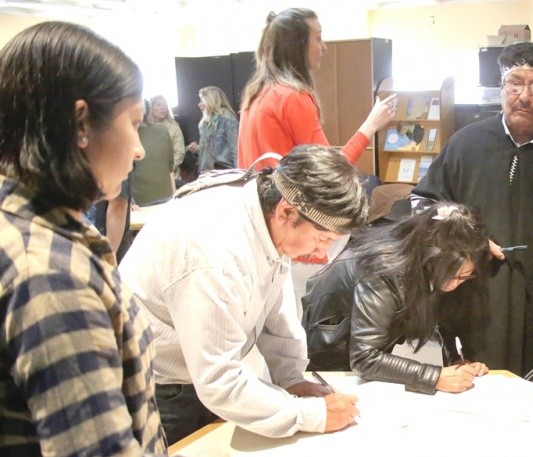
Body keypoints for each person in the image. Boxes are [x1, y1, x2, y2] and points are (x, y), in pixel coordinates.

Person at [119, 145, 369, 445]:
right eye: (321, 239)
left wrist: (292, 378)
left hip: (197, 369)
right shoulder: (216, 251)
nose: (323, 254)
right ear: (286, 212)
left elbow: (274, 301)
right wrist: (312, 415)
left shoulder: (268, 212)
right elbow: (219, 380)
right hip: (163, 383)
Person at [0, 21, 167, 455]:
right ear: (81, 124)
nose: (139, 149)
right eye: (132, 123)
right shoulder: (51, 275)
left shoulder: (32, 226)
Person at [411, 42, 533, 396]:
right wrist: (466, 243)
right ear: (502, 89)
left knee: (530, 406)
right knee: (470, 392)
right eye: (515, 83)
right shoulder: (464, 144)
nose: (525, 96)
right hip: (472, 296)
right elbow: (423, 205)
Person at [302, 203, 492, 394]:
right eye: (449, 275)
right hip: (331, 348)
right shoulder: (384, 267)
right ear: (429, 258)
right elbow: (365, 358)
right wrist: (434, 377)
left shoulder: (430, 263)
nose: (453, 284)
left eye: (464, 277)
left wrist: (457, 361)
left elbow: (443, 317)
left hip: (361, 351)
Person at [238, 7, 397, 170]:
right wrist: (371, 125)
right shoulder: (293, 97)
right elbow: (331, 171)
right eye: (318, 38)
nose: (324, 47)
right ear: (297, 46)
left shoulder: (254, 95)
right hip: (286, 195)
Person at [131, 98, 175, 206]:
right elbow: (170, 168)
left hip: (139, 202)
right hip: (167, 196)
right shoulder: (163, 129)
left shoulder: (126, 135)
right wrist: (174, 195)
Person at [187, 86, 239, 172]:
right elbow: (214, 150)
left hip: (224, 174)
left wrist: (240, 175)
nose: (199, 104)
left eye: (201, 100)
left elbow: (236, 151)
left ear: (211, 101)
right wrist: (198, 149)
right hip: (207, 174)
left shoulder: (228, 119)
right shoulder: (206, 122)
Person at [149, 94, 186, 174]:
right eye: (158, 105)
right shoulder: (143, 127)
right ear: (151, 108)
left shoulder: (174, 127)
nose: (163, 108)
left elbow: (179, 153)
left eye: (165, 105)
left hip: (169, 175)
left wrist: (166, 170)